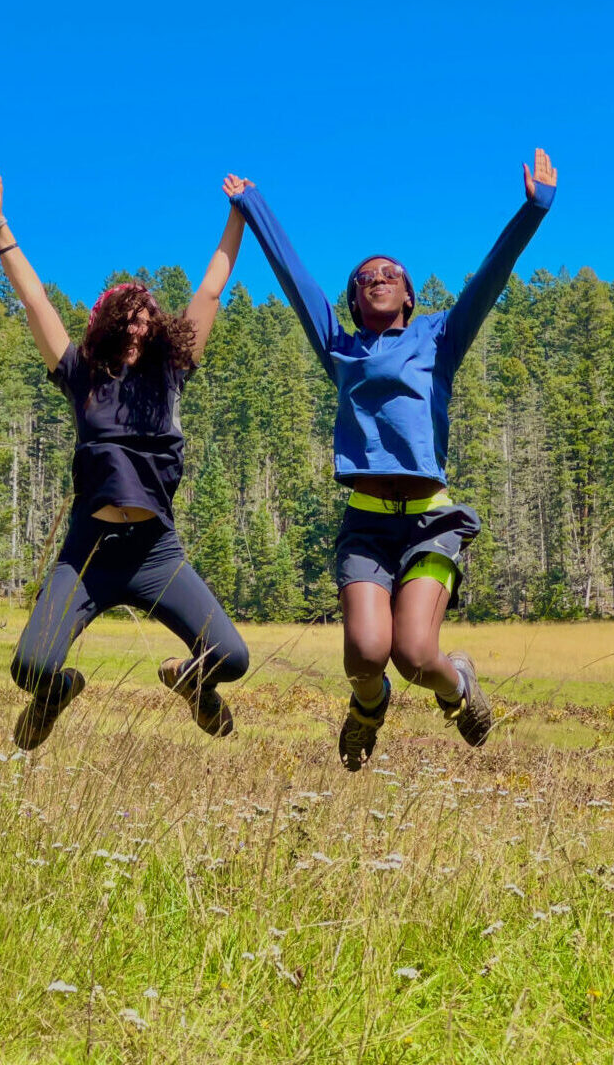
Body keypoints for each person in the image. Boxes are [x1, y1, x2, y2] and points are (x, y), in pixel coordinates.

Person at [228, 150, 557, 770]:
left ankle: (458, 686)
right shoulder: (340, 348)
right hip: (367, 523)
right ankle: (367, 707)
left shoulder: (440, 339)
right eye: (364, 276)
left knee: (414, 656)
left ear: (409, 292)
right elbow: (296, 279)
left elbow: (492, 274)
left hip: (431, 520)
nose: (377, 276)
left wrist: (534, 207)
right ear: (354, 300)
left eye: (390, 272)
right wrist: (253, 205)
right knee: (365, 655)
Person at [0, 168, 251, 750]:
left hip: (156, 552)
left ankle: (191, 682)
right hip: (89, 552)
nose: (136, 326)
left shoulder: (170, 375)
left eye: (145, 318)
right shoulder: (81, 376)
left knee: (230, 658)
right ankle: (56, 692)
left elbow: (208, 292)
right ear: (104, 325)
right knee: (30, 667)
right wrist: (0, 229)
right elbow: (35, 300)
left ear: (157, 328)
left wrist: (239, 214)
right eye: (124, 318)